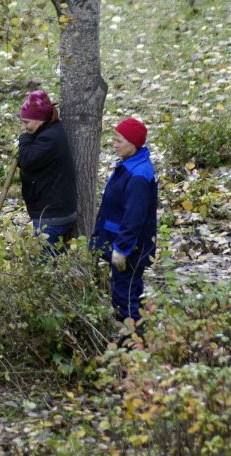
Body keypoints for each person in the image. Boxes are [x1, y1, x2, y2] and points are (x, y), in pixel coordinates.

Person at [91, 118, 158, 332]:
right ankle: (139, 338)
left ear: (133, 143)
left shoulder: (138, 175)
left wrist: (121, 249)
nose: (115, 145)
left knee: (124, 296)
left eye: (119, 141)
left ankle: (134, 345)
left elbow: (134, 217)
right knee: (130, 291)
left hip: (130, 250)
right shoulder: (129, 165)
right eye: (115, 140)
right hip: (123, 244)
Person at [17, 90, 77, 250]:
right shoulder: (48, 131)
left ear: (40, 119)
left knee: (45, 264)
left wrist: (24, 138)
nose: (24, 127)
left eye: (27, 122)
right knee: (54, 262)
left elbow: (26, 160)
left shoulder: (49, 138)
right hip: (54, 211)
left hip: (52, 216)